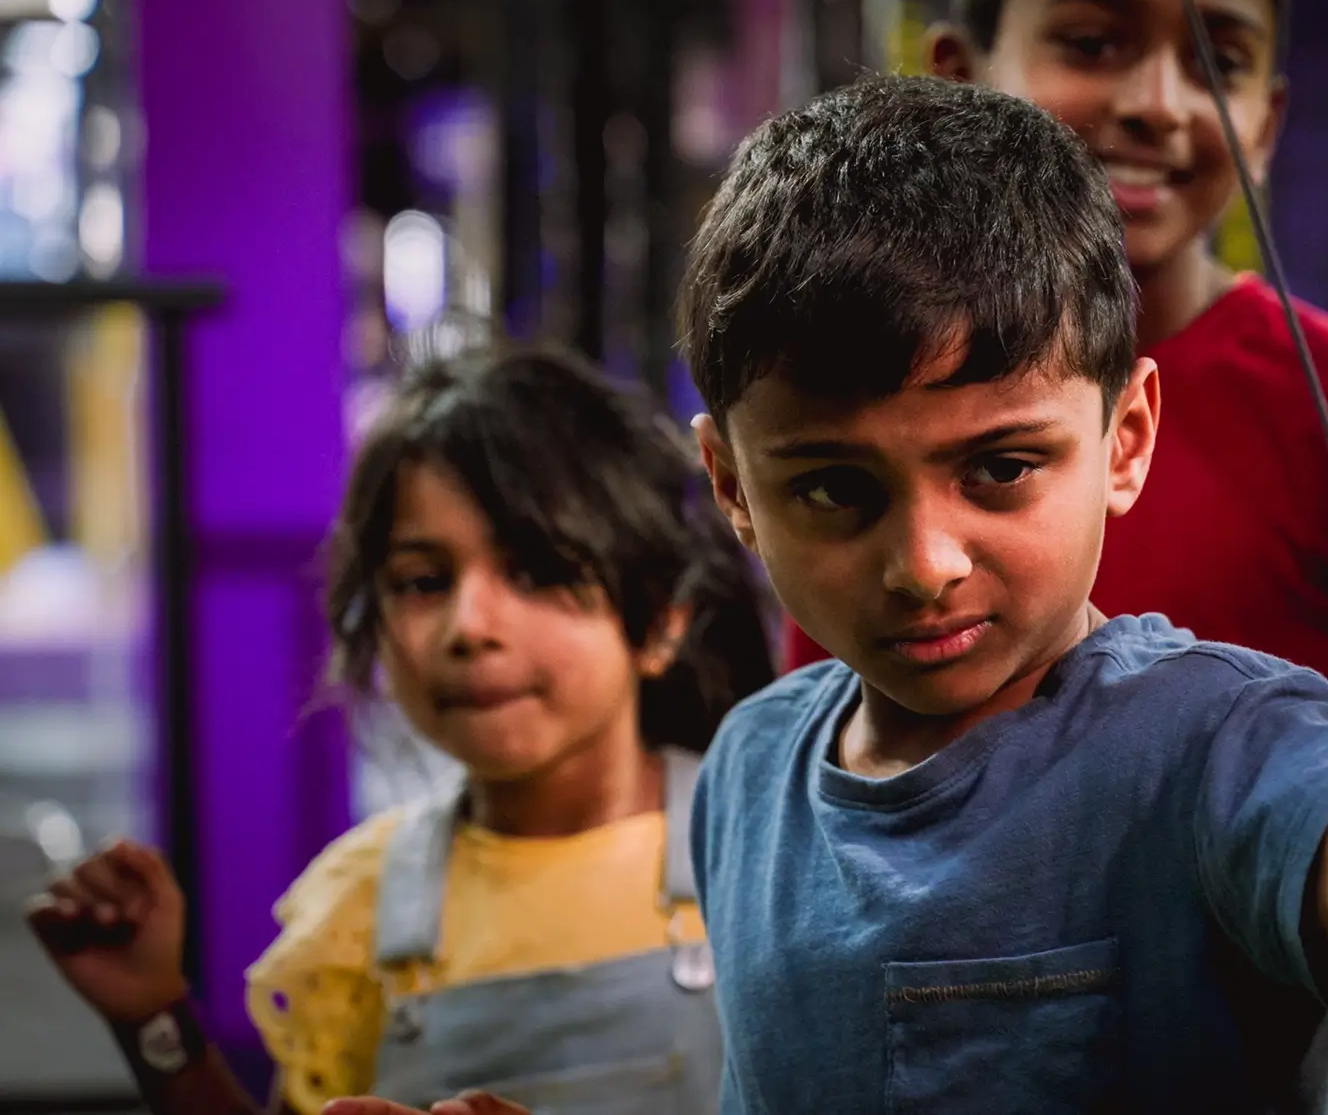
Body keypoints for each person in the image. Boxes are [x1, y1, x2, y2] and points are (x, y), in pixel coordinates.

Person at [337, 75, 1328, 1115]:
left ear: (1123, 440)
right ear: (726, 486)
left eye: (1001, 468)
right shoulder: (755, 770)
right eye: (836, 488)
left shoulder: (1220, 747)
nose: (925, 562)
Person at [783, 0, 1328, 1106]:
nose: (1157, 105)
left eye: (1216, 60)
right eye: (1091, 43)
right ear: (954, 73)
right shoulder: (856, 420)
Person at [25, 346, 775, 1115]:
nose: (469, 625)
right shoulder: (363, 902)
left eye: (537, 571)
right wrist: (153, 1014)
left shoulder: (766, 849)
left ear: (656, 621)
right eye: (423, 581)